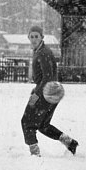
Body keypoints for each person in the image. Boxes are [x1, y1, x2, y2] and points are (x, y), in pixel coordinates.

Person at [21, 25, 78, 157]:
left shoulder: (43, 53)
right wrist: (37, 87)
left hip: (47, 93)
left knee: (27, 121)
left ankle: (35, 154)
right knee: (43, 125)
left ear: (42, 37)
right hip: (52, 92)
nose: (34, 39)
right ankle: (70, 143)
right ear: (28, 37)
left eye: (37, 36)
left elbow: (48, 77)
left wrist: (36, 93)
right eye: (32, 36)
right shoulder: (39, 51)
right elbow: (46, 77)